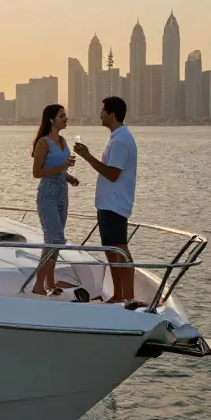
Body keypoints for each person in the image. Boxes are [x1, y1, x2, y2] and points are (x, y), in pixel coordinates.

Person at [73, 96, 140, 306]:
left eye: (102, 111)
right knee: (114, 250)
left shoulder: (120, 141)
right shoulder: (118, 137)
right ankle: (121, 294)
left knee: (118, 249)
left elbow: (112, 174)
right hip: (110, 204)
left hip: (114, 204)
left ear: (111, 114)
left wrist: (87, 156)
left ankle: (126, 295)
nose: (99, 114)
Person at [30, 104, 80, 296]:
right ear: (51, 119)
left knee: (55, 240)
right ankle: (38, 285)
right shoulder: (44, 143)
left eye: (65, 115)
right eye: (62, 116)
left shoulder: (62, 140)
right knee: (55, 239)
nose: (65, 119)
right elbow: (37, 173)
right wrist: (62, 166)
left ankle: (50, 283)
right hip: (48, 194)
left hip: (62, 192)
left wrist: (69, 176)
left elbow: (60, 169)